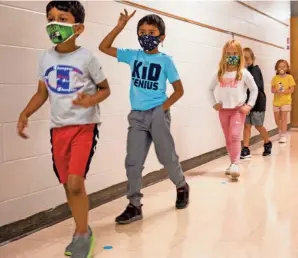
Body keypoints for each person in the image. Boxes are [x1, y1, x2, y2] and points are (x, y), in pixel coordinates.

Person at [17, 1, 111, 257]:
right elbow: (41, 93)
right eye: (50, 19)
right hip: (58, 130)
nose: (54, 24)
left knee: (75, 183)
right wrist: (25, 112)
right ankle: (82, 228)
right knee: (67, 185)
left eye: (62, 19)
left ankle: (82, 234)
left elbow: (105, 89)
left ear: (78, 28)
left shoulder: (88, 58)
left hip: (84, 127)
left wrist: (90, 100)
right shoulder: (45, 57)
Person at [99, 10, 190, 224]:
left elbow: (179, 90)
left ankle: (181, 185)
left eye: (152, 32)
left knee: (166, 157)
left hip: (158, 114)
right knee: (133, 161)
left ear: (162, 37)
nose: (146, 36)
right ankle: (134, 205)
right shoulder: (133, 55)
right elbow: (103, 47)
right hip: (137, 117)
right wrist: (120, 26)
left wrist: (161, 109)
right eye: (142, 32)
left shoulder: (165, 61)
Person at [208, 40, 258, 179]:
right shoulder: (220, 73)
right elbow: (209, 89)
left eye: (234, 53)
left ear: (240, 54)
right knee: (228, 138)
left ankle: (236, 163)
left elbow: (254, 89)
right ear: (224, 55)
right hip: (223, 111)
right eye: (228, 53)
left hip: (238, 110)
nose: (231, 56)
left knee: (235, 136)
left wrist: (249, 105)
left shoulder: (243, 73)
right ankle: (232, 163)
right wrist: (214, 103)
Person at [240, 47, 272, 159]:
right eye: (242, 59)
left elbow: (255, 89)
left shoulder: (255, 70)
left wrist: (250, 104)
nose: (245, 61)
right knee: (247, 125)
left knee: (258, 125)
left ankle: (267, 142)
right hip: (246, 103)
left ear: (252, 59)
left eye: (247, 59)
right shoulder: (242, 72)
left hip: (258, 103)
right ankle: (245, 148)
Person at [271, 60, 296, 143]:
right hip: (276, 101)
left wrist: (284, 91)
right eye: (280, 67)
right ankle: (281, 129)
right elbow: (272, 89)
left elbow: (291, 89)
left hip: (286, 101)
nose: (281, 68)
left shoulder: (289, 77)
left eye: (283, 66)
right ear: (277, 68)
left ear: (287, 68)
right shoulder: (275, 78)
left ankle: (283, 135)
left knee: (284, 118)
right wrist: (276, 91)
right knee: (276, 119)